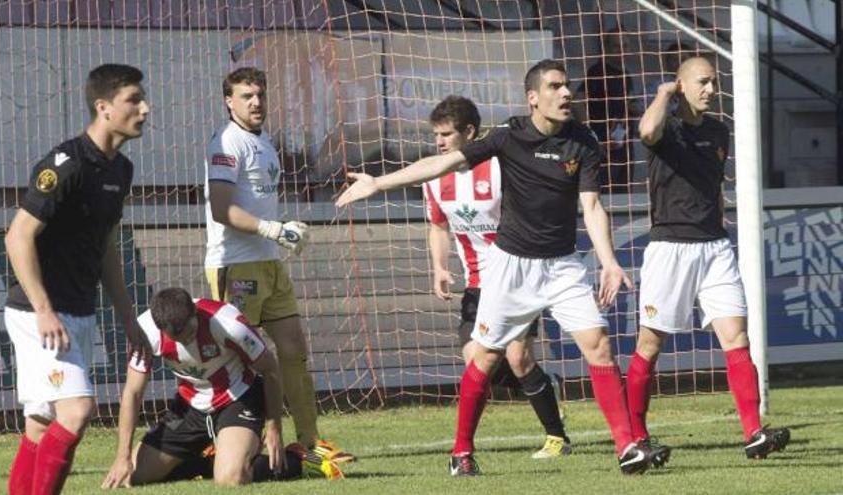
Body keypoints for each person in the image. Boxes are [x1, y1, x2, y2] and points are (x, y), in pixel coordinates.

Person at [337, 59, 665, 475]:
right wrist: (379, 183)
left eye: (567, 87)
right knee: (488, 358)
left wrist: (610, 262)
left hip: (562, 266)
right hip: (510, 268)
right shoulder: (509, 137)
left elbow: (592, 206)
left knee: (598, 344)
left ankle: (626, 447)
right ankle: (461, 452)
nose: (566, 93)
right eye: (555, 87)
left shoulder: (583, 140)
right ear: (533, 98)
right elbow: (442, 164)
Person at [630, 56, 790, 460]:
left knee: (738, 337)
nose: (711, 90)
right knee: (650, 344)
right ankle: (636, 436)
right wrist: (664, 93)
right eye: (702, 82)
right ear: (682, 85)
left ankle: (754, 433)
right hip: (670, 249)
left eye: (714, 82)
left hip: (715, 247)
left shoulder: (720, 130)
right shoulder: (665, 127)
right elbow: (646, 129)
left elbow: (714, 187)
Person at [4, 63, 152, 495]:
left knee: (40, 425)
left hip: (80, 309)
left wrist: (129, 318)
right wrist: (45, 310)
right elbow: (17, 237)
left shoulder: (120, 171)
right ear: (103, 107)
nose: (145, 108)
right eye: (134, 100)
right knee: (78, 410)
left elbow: (105, 247)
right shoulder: (65, 164)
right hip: (39, 313)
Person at [203, 67, 354, 463]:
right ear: (229, 101)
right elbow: (221, 209)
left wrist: (279, 233)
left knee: (293, 350)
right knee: (236, 359)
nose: (256, 102)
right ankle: (225, 441)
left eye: (260, 95)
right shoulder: (226, 141)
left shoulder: (263, 140)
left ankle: (308, 441)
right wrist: (272, 228)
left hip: (268, 263)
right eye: (247, 96)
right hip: (235, 267)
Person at [424, 95, 571, 459]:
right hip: (476, 284)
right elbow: (438, 226)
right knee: (478, 363)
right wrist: (440, 267)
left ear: (469, 133)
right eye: (436, 135)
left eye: (446, 135)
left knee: (519, 358)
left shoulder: (500, 166)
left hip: (516, 275)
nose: (439, 142)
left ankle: (557, 437)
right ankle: (542, 386)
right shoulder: (433, 176)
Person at [101, 288, 343, 488]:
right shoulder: (145, 333)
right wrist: (122, 457)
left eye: (191, 332)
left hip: (239, 399)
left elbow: (270, 370)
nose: (187, 341)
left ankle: (300, 460)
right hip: (190, 406)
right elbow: (132, 394)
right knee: (131, 477)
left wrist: (274, 427)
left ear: (195, 313)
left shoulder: (228, 323)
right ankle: (215, 456)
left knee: (230, 478)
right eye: (178, 338)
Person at [578, 28, 636, 191]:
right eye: (617, 46)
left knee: (624, 195)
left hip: (623, 147)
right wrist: (592, 137)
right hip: (604, 150)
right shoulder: (598, 72)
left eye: (625, 45)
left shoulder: (625, 74)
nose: (622, 50)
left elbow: (625, 106)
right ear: (607, 48)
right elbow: (577, 101)